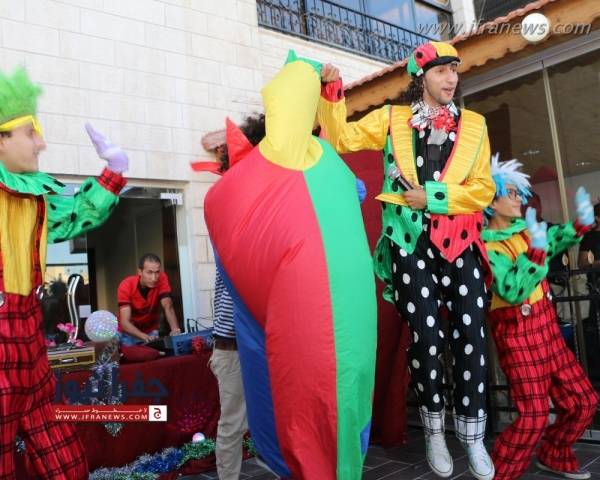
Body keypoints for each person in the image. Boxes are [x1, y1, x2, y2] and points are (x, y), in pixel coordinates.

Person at [318, 41, 495, 479]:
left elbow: (483, 190)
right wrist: (331, 92)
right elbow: (340, 138)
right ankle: (434, 431)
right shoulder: (392, 119)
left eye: (454, 70)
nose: (451, 78)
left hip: (460, 241)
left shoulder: (474, 125)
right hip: (408, 241)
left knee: (471, 336)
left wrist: (433, 197)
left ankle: (472, 436)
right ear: (421, 78)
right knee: (426, 338)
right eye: (441, 71)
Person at [204, 51, 377, 480]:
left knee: (286, 415)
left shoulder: (277, 193)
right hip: (232, 346)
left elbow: (345, 185)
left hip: (269, 338)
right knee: (238, 423)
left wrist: (323, 90)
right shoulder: (241, 207)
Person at [0, 67, 128, 479]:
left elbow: (76, 213)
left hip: (30, 343)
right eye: (31, 132)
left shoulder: (34, 197)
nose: (41, 143)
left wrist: (113, 170)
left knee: (65, 459)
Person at [483, 156, 598, 480]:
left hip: (547, 327)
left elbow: (554, 239)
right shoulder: (485, 248)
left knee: (583, 401)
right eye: (511, 193)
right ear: (491, 201)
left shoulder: (524, 232)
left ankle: (554, 455)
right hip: (517, 333)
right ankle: (500, 474)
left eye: (519, 193)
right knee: (533, 416)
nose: (519, 199)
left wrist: (579, 224)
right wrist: (535, 250)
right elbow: (512, 289)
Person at [117, 253, 181, 345]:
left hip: (150, 329)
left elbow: (168, 306)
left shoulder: (162, 278)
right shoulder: (126, 285)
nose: (154, 278)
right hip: (128, 332)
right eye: (149, 272)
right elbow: (124, 322)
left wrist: (175, 330)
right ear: (140, 271)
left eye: (157, 272)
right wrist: (144, 337)